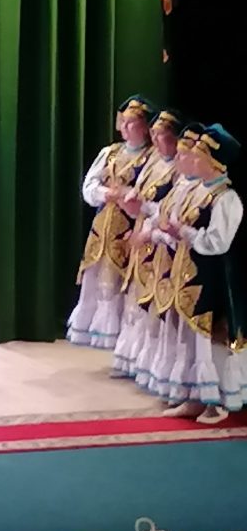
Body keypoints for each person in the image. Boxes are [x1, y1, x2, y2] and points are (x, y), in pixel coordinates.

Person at [133, 124, 245, 425]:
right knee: (189, 339)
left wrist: (183, 231)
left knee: (209, 340)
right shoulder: (194, 190)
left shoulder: (226, 198)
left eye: (197, 157)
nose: (190, 161)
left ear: (215, 163)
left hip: (213, 278)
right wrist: (168, 233)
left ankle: (215, 403)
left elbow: (217, 242)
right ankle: (193, 397)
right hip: (186, 276)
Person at [66, 95, 154, 349]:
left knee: (120, 280)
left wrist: (128, 197)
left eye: (131, 122)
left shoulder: (150, 158)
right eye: (123, 122)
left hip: (129, 226)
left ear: (145, 126)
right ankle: (93, 328)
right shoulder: (111, 152)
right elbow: (89, 185)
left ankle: (119, 336)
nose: (125, 127)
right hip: (103, 225)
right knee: (96, 275)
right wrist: (107, 194)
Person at [111, 106, 182, 380]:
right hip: (143, 236)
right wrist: (130, 204)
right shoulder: (153, 161)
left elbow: (168, 208)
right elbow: (141, 196)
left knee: (154, 304)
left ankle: (157, 366)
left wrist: (145, 211)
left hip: (162, 241)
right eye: (152, 134)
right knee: (136, 298)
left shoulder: (178, 170)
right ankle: (132, 359)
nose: (154, 139)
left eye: (160, 135)